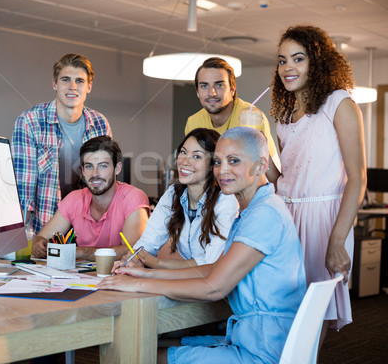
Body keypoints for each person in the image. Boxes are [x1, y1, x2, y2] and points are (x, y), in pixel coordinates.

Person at [100, 127, 306, 364]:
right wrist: (145, 272)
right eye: (218, 161)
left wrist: (139, 283)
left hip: (262, 350)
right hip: (250, 337)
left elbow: (214, 287)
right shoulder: (253, 209)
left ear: (261, 165)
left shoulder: (264, 214)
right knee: (135, 343)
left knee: (132, 355)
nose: (223, 170)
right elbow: (216, 268)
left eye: (234, 161)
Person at [268, 25, 366, 333]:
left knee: (311, 318)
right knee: (284, 309)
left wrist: (337, 239)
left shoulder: (340, 104)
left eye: (298, 58)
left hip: (324, 219)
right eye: (282, 60)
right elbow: (285, 179)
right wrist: (260, 153)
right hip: (286, 216)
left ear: (317, 62)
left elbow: (358, 178)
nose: (288, 67)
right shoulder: (285, 114)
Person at [12, 53, 112, 234]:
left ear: (89, 87)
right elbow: (23, 191)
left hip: (86, 230)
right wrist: (18, 241)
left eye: (80, 81)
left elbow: (105, 184)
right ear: (54, 84)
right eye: (66, 79)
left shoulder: (99, 123)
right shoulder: (30, 121)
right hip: (44, 228)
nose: (73, 87)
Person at [117, 128, 239, 270]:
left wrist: (158, 263)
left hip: (217, 285)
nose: (185, 161)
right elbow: (148, 242)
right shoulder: (173, 194)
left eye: (197, 156)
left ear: (214, 164)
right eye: (183, 152)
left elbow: (211, 262)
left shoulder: (225, 200)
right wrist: (134, 258)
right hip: (189, 280)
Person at [32, 136, 149, 261]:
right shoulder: (74, 199)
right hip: (80, 278)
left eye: (102, 166)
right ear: (82, 170)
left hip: (120, 278)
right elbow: (41, 238)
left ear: (117, 168)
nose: (95, 174)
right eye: (89, 166)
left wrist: (82, 252)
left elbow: (132, 250)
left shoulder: (133, 198)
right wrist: (39, 245)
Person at [184, 57, 281, 170]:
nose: (212, 93)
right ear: (198, 92)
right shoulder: (193, 122)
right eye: (204, 86)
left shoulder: (251, 116)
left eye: (219, 85)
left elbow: (269, 171)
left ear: (232, 90)